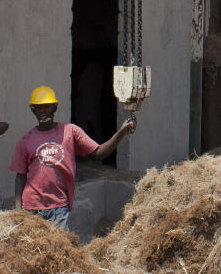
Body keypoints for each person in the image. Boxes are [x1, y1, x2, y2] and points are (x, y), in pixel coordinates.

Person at [7, 84, 135, 230]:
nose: (42, 111)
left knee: (59, 250)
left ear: (54, 108)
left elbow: (99, 153)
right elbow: (20, 176)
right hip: (32, 208)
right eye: (38, 107)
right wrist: (18, 211)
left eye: (46, 106)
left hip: (58, 208)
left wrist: (121, 133)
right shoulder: (26, 140)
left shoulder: (70, 132)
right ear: (33, 110)